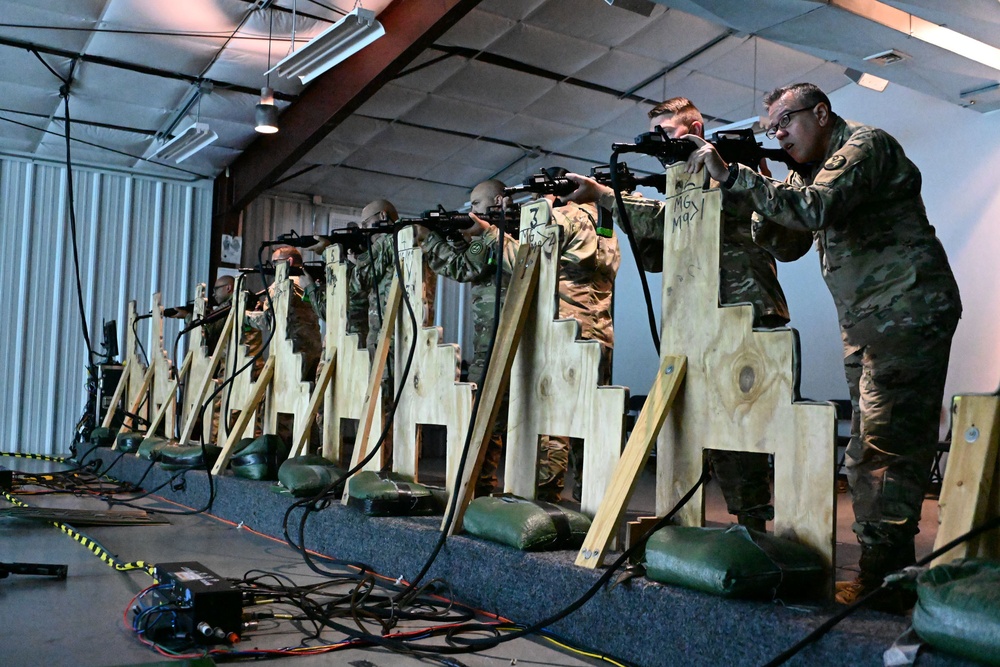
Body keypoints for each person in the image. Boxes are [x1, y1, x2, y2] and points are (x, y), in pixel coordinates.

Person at [683, 82, 961, 613]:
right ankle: (889, 575)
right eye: (771, 130)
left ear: (822, 112)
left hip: (906, 308)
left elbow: (814, 209)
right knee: (878, 447)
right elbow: (787, 243)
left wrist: (735, 176)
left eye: (785, 122)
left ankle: (885, 581)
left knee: (879, 450)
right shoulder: (803, 173)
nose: (779, 134)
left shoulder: (864, 145)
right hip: (868, 320)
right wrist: (755, 186)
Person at [564, 97, 786, 529]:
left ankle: (760, 525)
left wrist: (609, 197)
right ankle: (736, 521)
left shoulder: (730, 161)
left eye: (670, 131)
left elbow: (675, 220)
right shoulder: (680, 178)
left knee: (746, 422)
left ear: (696, 126)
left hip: (742, 305)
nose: (663, 141)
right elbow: (658, 254)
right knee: (706, 423)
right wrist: (623, 204)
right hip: (696, 315)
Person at [465, 168, 620, 503]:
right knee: (588, 425)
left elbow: (527, 261)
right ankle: (590, 505)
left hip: (563, 331)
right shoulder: (604, 220)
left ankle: (546, 501)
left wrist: (491, 233)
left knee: (555, 422)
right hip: (597, 331)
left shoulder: (565, 217)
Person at [416, 179, 512, 496]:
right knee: (492, 419)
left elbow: (463, 267)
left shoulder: (496, 235)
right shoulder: (495, 236)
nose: (470, 211)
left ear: (498, 201)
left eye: (475, 205)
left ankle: (480, 491)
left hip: (498, 342)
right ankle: (485, 490)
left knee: (486, 418)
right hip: (497, 339)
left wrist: (430, 241)